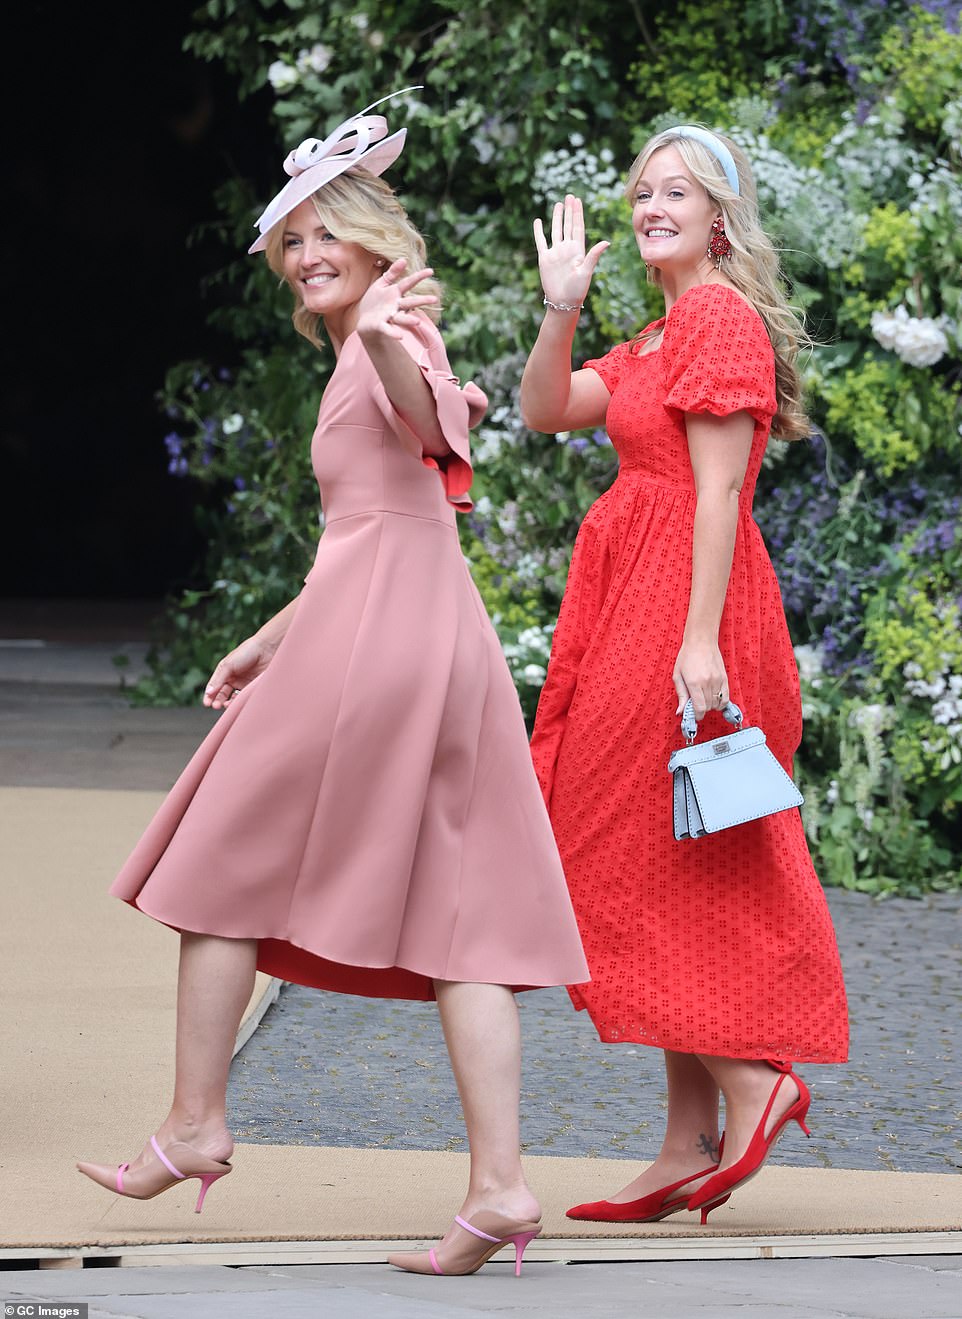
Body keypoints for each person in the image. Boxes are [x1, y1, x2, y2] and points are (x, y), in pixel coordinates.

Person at [76, 93, 589, 1277]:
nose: (305, 256)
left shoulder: (387, 336)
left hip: (376, 641)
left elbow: (423, 430)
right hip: (422, 630)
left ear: (375, 241)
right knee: (464, 915)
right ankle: (500, 1183)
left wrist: (381, 345)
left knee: (216, 867)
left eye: (324, 235)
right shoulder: (380, 337)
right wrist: (270, 632)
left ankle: (198, 1120)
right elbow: (384, 522)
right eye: (290, 243)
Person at [519, 124, 848, 1225]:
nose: (651, 204)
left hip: (682, 606)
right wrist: (560, 305)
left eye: (677, 191)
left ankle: (754, 1081)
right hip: (634, 598)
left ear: (719, 219)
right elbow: (542, 410)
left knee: (607, 849)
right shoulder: (658, 333)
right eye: (640, 191)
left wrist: (697, 641)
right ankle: (682, 1136)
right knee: (658, 860)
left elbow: (717, 494)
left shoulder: (715, 316)